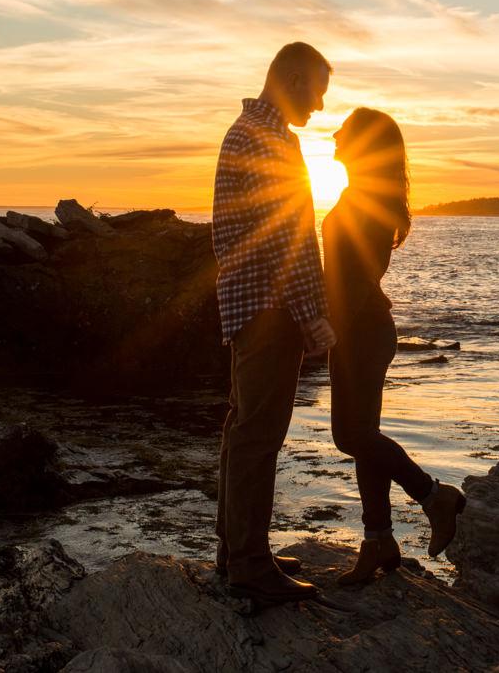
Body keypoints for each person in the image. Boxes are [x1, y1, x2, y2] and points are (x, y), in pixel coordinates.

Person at [211, 42, 338, 604]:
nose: (318, 107)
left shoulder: (257, 132)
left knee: (244, 430)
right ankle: (250, 568)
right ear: (291, 78)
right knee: (258, 438)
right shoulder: (263, 138)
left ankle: (236, 550)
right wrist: (313, 316)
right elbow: (286, 239)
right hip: (267, 308)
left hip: (252, 306)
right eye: (315, 92)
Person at [324, 107, 465, 586]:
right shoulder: (358, 194)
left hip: (360, 330)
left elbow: (361, 277)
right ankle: (378, 540)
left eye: (345, 129)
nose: (335, 132)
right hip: (358, 328)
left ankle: (434, 497)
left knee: (351, 437)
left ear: (363, 143)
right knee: (366, 441)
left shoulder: (367, 199)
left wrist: (328, 328)